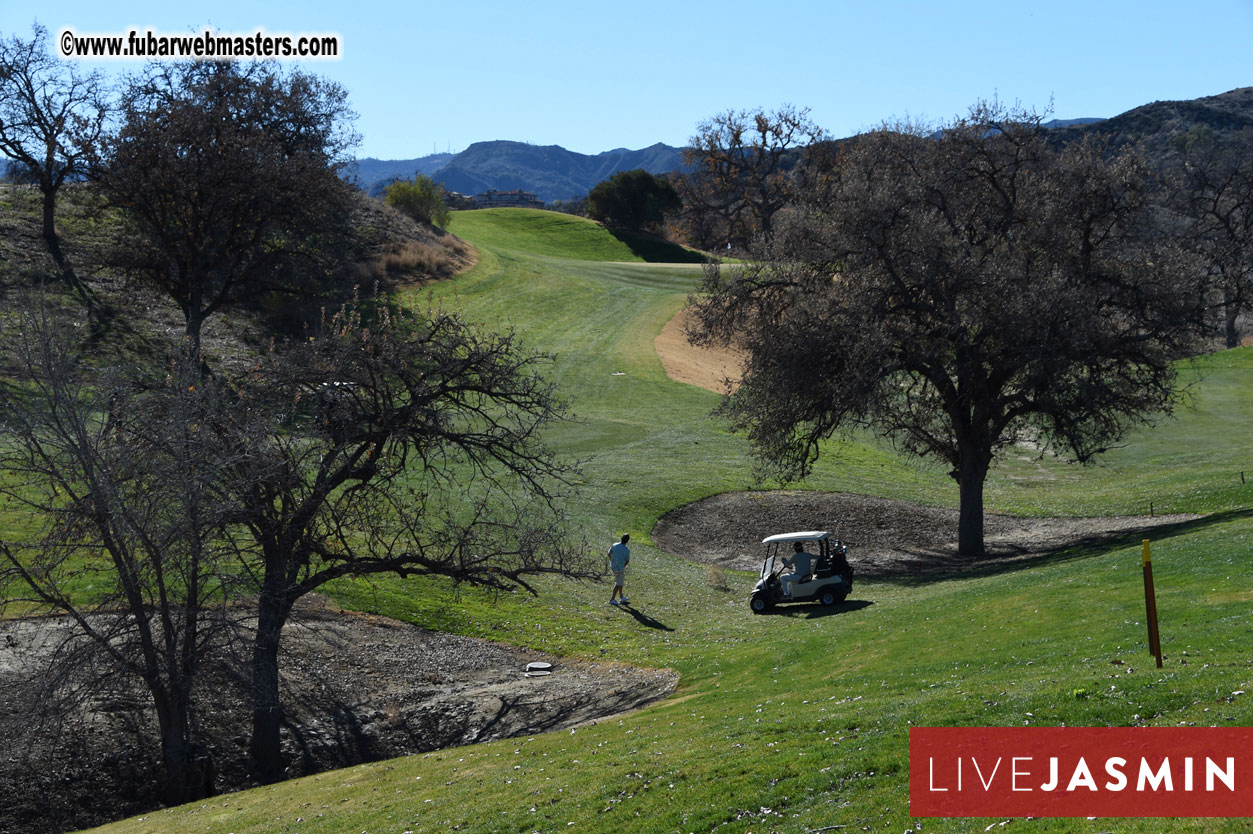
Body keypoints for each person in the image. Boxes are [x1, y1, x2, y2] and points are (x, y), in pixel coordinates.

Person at [607, 534, 630, 605]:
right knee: (618, 583)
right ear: (627, 541)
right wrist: (623, 567)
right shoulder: (627, 550)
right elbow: (627, 561)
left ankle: (621, 596)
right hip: (619, 568)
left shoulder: (615, 545)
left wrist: (612, 561)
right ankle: (612, 599)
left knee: (620, 582)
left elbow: (609, 553)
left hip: (613, 566)